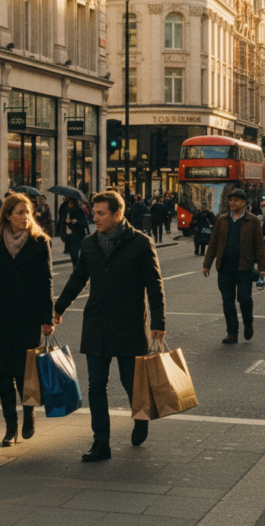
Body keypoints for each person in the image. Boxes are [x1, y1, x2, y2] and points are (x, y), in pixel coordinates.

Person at [53, 191, 165, 462]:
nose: (95, 217)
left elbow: (154, 285)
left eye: (101, 213)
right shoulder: (90, 243)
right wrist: (58, 308)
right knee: (96, 386)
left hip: (128, 324)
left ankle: (140, 419)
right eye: (94, 212)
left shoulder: (140, 243)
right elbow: (78, 278)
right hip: (97, 324)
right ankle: (101, 442)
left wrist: (158, 323)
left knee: (131, 384)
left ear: (118, 214)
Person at [0, 194, 53, 447]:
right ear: (7, 215)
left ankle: (29, 414)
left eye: (28, 212)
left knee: (24, 371)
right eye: (20, 213)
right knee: (4, 373)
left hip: (27, 315)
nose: (25, 217)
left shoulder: (40, 242)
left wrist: (47, 318)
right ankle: (10, 426)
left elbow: (46, 283)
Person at [203, 189, 265, 344]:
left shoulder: (253, 221)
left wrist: (262, 267)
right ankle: (232, 333)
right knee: (228, 301)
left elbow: (259, 245)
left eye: (236, 200)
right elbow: (213, 243)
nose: (232, 203)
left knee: (244, 299)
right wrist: (207, 264)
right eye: (230, 200)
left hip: (244, 267)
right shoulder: (222, 220)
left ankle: (248, 322)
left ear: (243, 202)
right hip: (225, 267)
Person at [58, 198, 90, 267]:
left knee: (77, 253)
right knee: (73, 255)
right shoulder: (67, 211)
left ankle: (78, 268)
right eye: (69, 203)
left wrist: (76, 221)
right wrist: (66, 221)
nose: (70, 204)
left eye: (71, 203)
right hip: (69, 236)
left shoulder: (80, 211)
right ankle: (76, 268)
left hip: (78, 236)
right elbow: (62, 221)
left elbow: (85, 223)